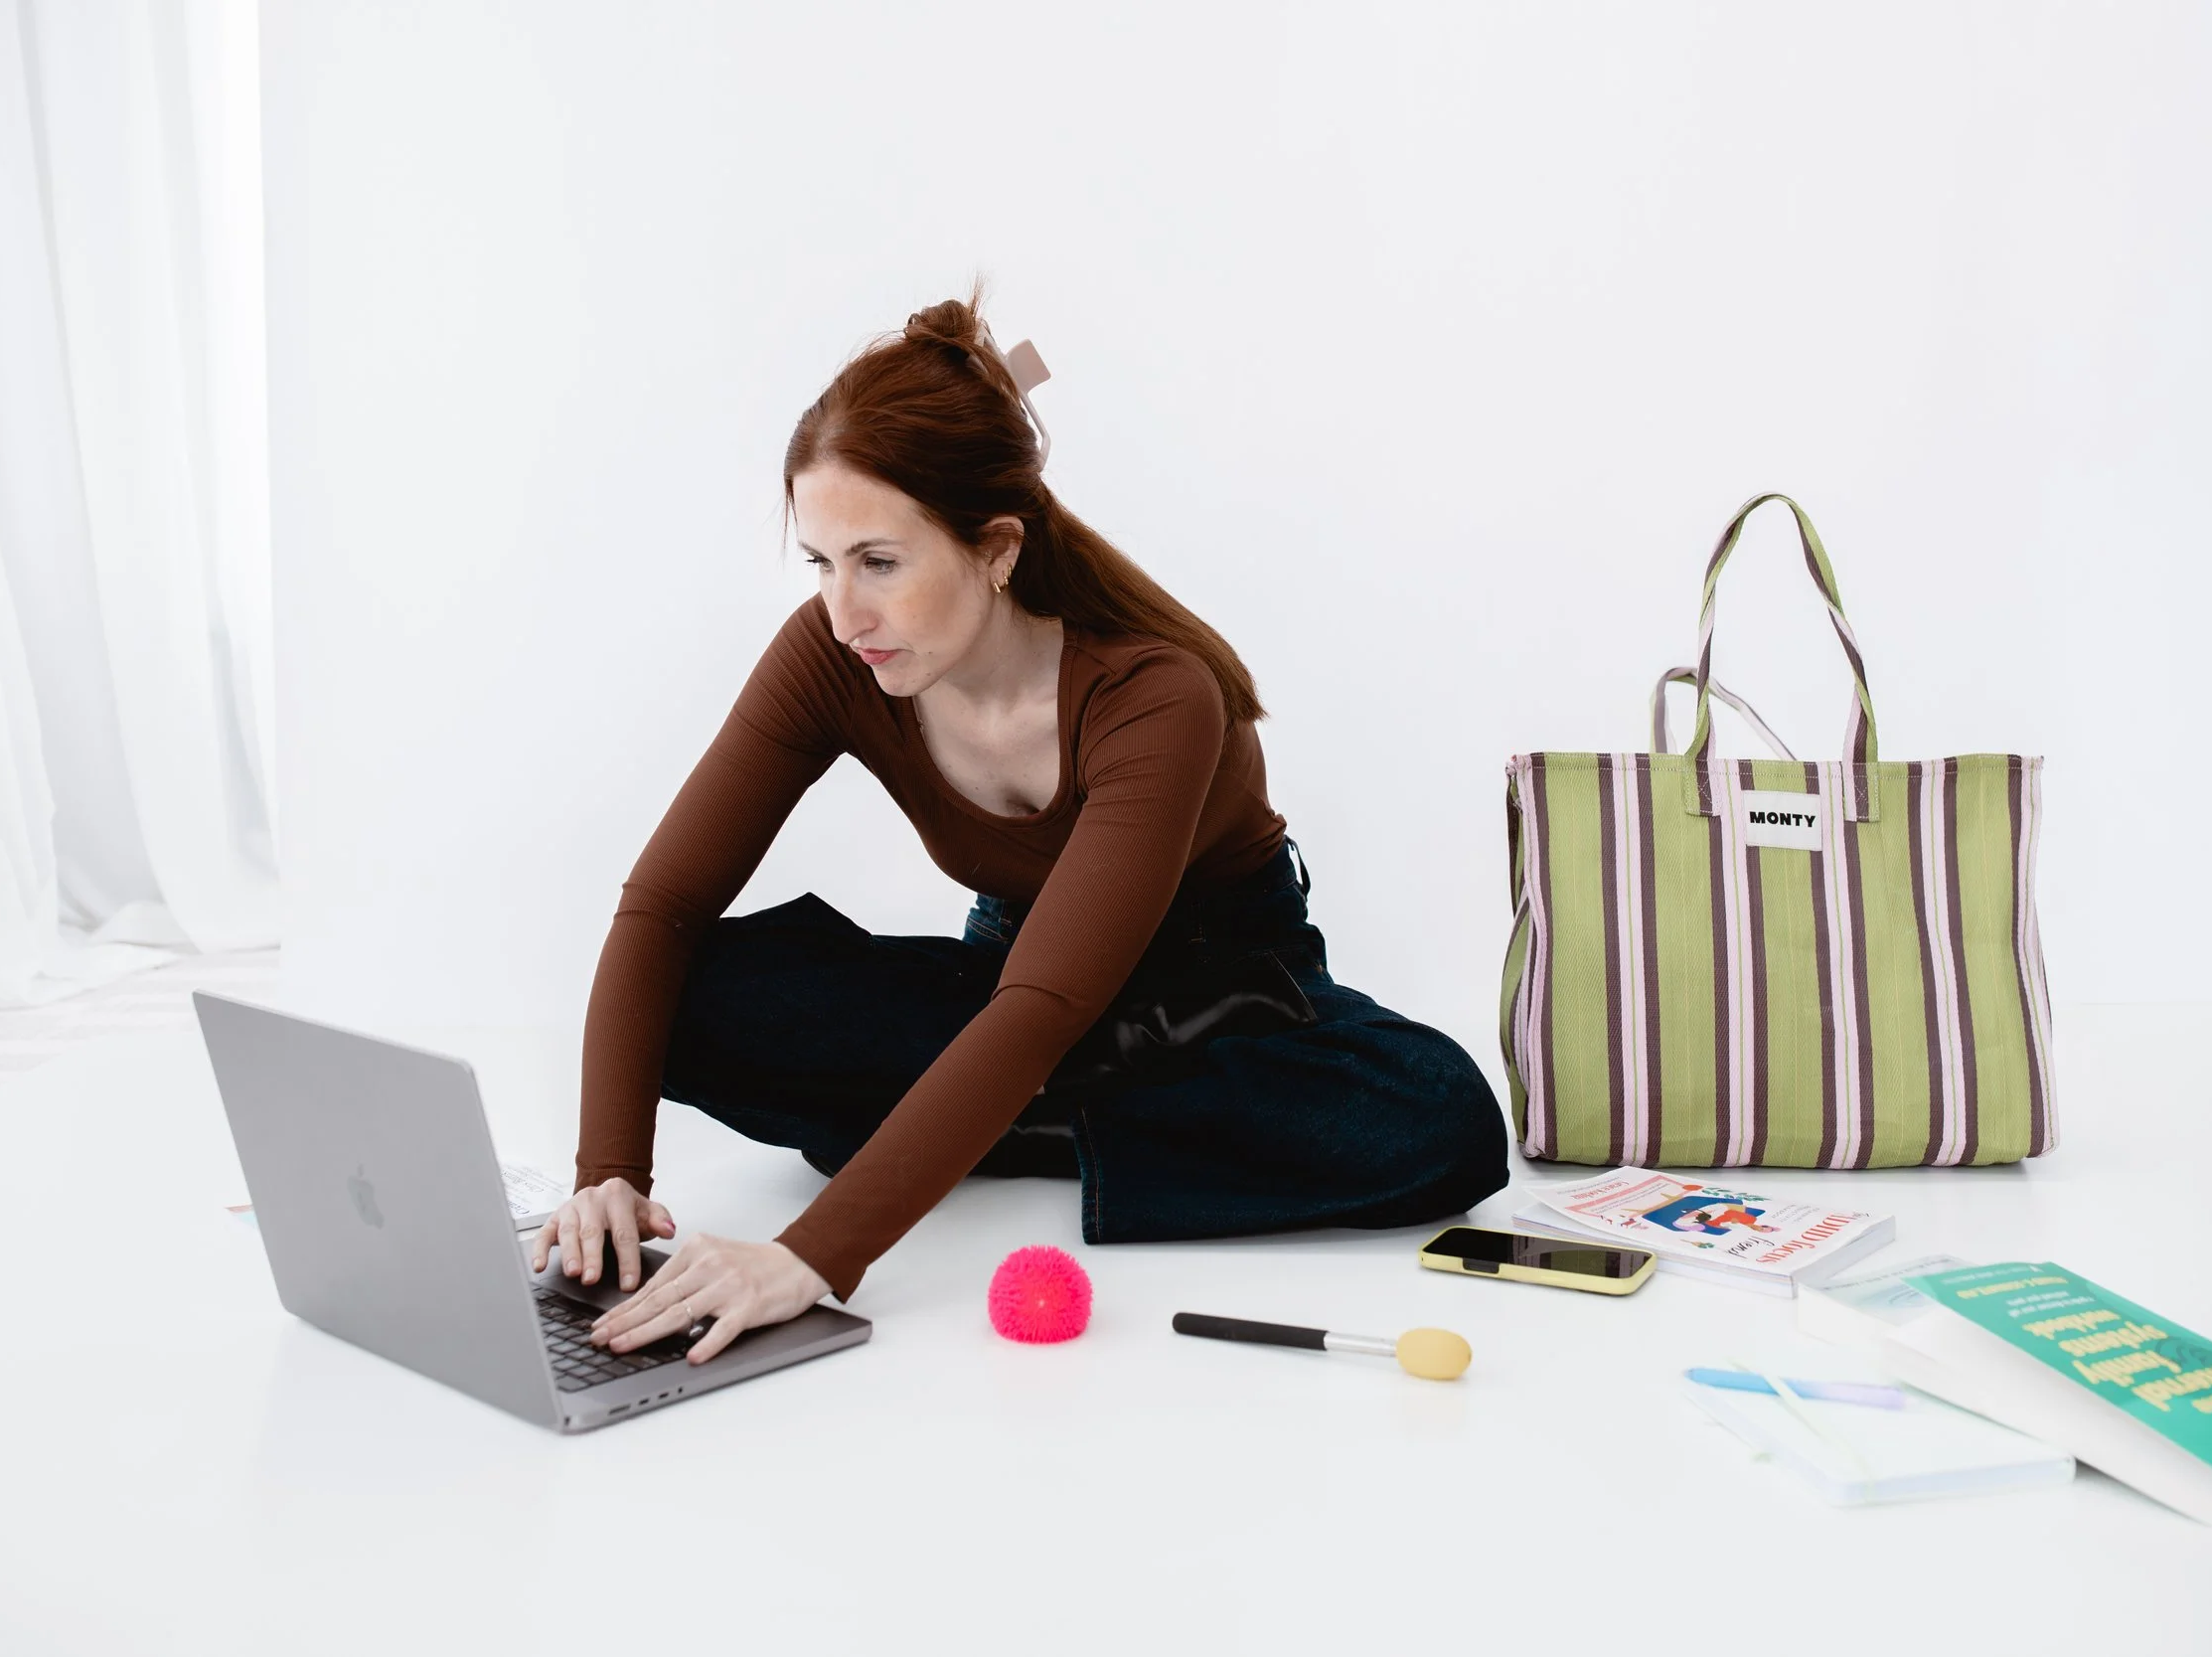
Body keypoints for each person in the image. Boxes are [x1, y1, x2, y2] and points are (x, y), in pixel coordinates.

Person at [532, 293, 1506, 1365]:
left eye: (880, 561)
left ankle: (991, 1123)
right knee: (695, 999)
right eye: (820, 562)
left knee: (1440, 1120)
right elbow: (664, 905)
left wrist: (811, 1254)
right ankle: (1031, 1123)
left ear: (995, 548)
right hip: (1009, 989)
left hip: (1219, 1004)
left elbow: (1044, 1009)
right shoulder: (833, 655)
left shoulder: (1154, 691)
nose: (843, 610)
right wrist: (607, 1172)